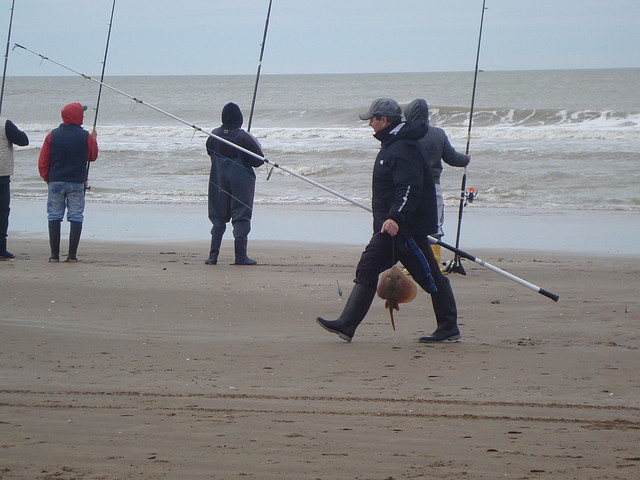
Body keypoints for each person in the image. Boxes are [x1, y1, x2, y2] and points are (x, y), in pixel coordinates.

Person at [316, 98, 460, 343]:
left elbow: (408, 189)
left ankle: (448, 327)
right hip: (388, 229)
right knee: (368, 267)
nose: (369, 124)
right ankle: (346, 325)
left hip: (405, 230)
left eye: (372, 119)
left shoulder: (403, 147)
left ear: (384, 120)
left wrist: (395, 218)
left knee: (431, 278)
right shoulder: (392, 143)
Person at [404, 98, 470, 269]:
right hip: (432, 187)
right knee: (434, 225)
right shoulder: (438, 134)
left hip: (408, 187)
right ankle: (433, 263)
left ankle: (411, 264)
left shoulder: (404, 134)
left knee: (409, 223)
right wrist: (467, 159)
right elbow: (453, 158)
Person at [205, 102, 264, 266]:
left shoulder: (214, 135)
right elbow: (259, 160)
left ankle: (212, 257)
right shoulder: (243, 136)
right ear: (239, 119)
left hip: (218, 180)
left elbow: (209, 151)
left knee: (217, 215)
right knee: (241, 216)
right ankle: (240, 257)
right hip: (241, 182)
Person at [38, 103, 98, 263]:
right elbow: (92, 156)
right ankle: (71, 256)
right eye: (82, 114)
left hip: (55, 180)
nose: (83, 117)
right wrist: (94, 139)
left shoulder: (52, 135)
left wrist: (47, 178)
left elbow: (43, 161)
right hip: (76, 182)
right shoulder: (85, 136)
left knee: (54, 216)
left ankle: (54, 255)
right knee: (76, 216)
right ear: (76, 116)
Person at [0, 117, 30, 259]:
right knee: (2, 211)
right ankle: (0, 248)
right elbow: (23, 140)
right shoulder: (4, 124)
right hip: (1, 174)